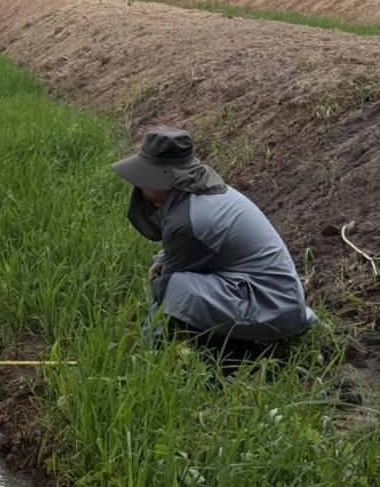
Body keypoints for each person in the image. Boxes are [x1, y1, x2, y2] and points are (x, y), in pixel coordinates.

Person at [112, 127, 316, 359]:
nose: (139, 186)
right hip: (278, 299)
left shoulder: (187, 220)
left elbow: (167, 294)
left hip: (273, 310)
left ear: (166, 178)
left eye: (144, 178)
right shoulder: (196, 193)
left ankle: (241, 354)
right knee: (168, 270)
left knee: (177, 287)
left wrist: (144, 352)